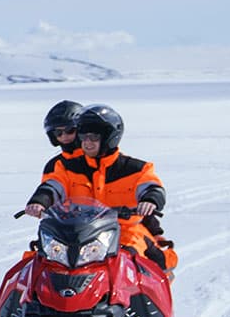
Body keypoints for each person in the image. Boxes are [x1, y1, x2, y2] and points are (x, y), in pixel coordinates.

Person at [18, 104, 176, 271]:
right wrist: (39, 201)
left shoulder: (135, 169)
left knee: (134, 263)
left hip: (124, 231)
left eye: (93, 138)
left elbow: (151, 187)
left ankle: (140, 297)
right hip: (76, 233)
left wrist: (150, 200)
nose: (87, 143)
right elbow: (52, 186)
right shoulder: (66, 167)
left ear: (108, 137)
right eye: (84, 138)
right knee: (39, 263)